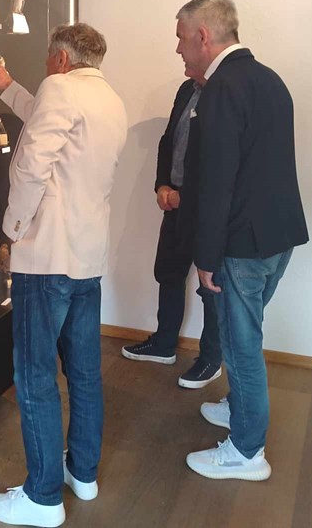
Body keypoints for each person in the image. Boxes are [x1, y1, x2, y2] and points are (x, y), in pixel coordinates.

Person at [0, 24, 127, 528]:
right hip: (87, 256)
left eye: (48, 58)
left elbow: (31, 166)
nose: (47, 66)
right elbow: (58, 130)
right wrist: (10, 88)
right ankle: (81, 473)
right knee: (83, 372)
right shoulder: (108, 99)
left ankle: (42, 497)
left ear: (61, 59)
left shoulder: (59, 89)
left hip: (46, 257)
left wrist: (12, 228)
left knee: (35, 375)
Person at [173, 0, 308, 481]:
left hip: (242, 245)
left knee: (240, 345)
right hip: (279, 236)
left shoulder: (221, 90)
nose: (179, 50)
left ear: (203, 36)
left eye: (181, 39)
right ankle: (239, 408)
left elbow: (218, 183)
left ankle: (247, 451)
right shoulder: (269, 79)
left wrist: (206, 257)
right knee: (246, 333)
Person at [119, 72, 223, 389]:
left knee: (212, 285)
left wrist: (186, 196)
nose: (179, 52)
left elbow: (220, 161)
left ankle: (211, 359)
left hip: (207, 207)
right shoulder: (186, 89)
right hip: (175, 202)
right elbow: (168, 141)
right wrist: (163, 184)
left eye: (183, 46)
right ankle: (164, 343)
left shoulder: (225, 92)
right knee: (168, 271)